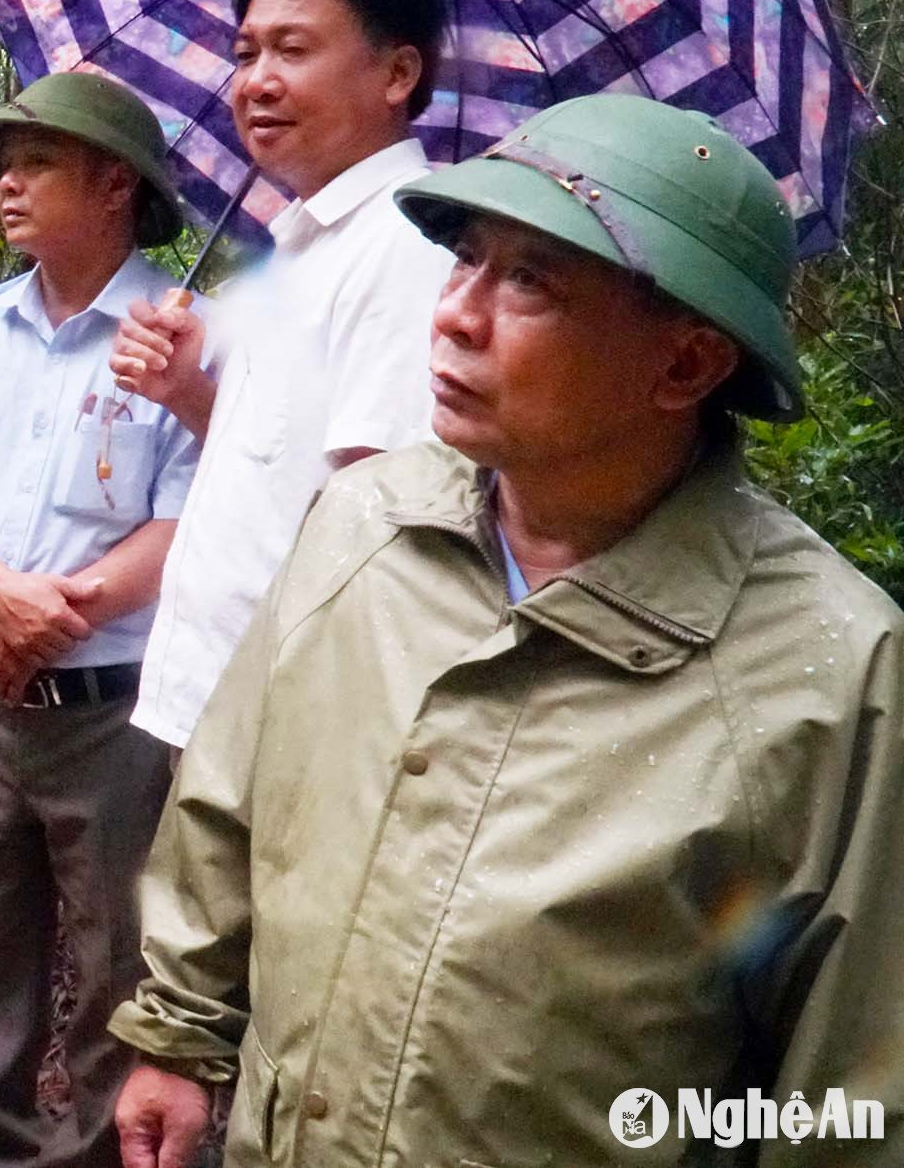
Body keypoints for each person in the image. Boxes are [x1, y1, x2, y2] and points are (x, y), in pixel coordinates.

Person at [109, 95, 904, 1168]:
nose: (454, 313)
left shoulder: (829, 672)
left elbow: (850, 1093)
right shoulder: (362, 524)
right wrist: (178, 1032)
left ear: (684, 365)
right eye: (466, 258)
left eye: (530, 279)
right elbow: (230, 794)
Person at [0, 73, 201, 1168]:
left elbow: (190, 521)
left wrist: (50, 616)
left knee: (118, 952)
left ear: (113, 180)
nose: (6, 184)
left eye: (35, 161)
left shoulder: (185, 340)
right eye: (2, 164)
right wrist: (1, 595)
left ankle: (96, 1150)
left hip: (118, 706)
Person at [111, 0, 452, 750]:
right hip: (210, 702)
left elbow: (380, 513)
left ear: (398, 75)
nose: (257, 79)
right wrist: (188, 388)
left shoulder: (411, 244)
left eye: (293, 49)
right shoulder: (299, 242)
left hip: (287, 725)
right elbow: (281, 463)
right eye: (246, 51)